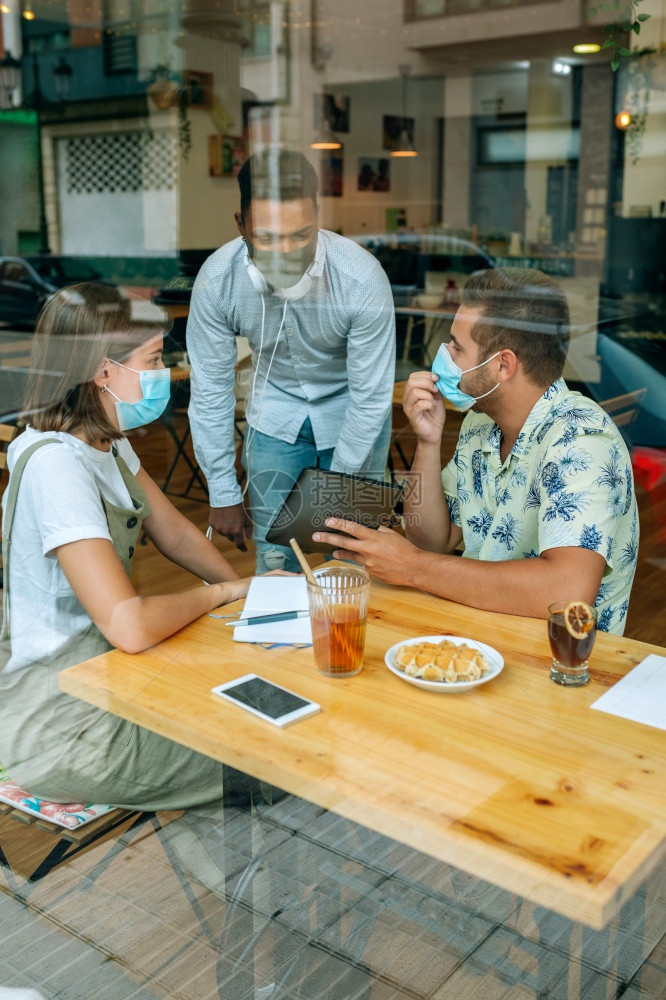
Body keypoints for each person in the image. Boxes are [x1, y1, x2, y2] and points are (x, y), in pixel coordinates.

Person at [0, 283, 264, 808]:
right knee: (267, 754)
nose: (163, 371)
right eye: (154, 358)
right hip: (64, 728)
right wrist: (226, 597)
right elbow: (129, 623)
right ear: (103, 371)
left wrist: (243, 588)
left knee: (245, 711)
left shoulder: (104, 442)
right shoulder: (58, 465)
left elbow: (177, 533)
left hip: (103, 681)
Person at [313, 267, 639, 635]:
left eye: (456, 346)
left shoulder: (582, 439)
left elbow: (566, 592)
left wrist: (414, 567)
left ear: (502, 365)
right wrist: (427, 443)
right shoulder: (480, 424)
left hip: (559, 666)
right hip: (478, 634)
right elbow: (433, 539)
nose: (444, 356)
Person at [187, 148, 396, 573]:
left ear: (318, 214)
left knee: (352, 559)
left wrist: (335, 500)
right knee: (276, 560)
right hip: (274, 416)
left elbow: (370, 399)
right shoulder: (217, 281)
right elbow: (210, 389)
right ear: (241, 225)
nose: (286, 254)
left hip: (353, 418)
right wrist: (223, 493)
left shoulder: (361, 278)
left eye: (301, 234)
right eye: (266, 238)